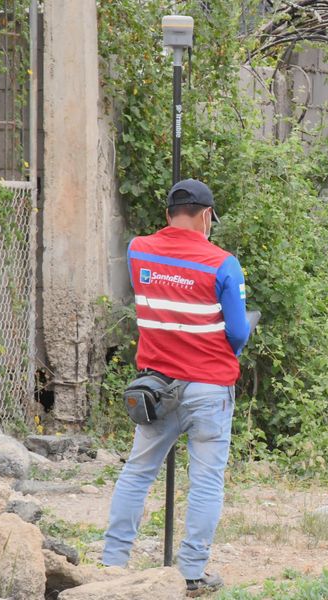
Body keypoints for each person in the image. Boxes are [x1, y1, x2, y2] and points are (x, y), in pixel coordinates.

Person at [102, 179, 250, 597]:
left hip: (157, 388)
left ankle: (112, 564)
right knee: (205, 482)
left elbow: (160, 299)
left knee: (137, 473)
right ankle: (191, 574)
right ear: (207, 216)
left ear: (168, 214)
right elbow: (238, 332)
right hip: (210, 388)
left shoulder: (138, 251)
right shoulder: (224, 264)